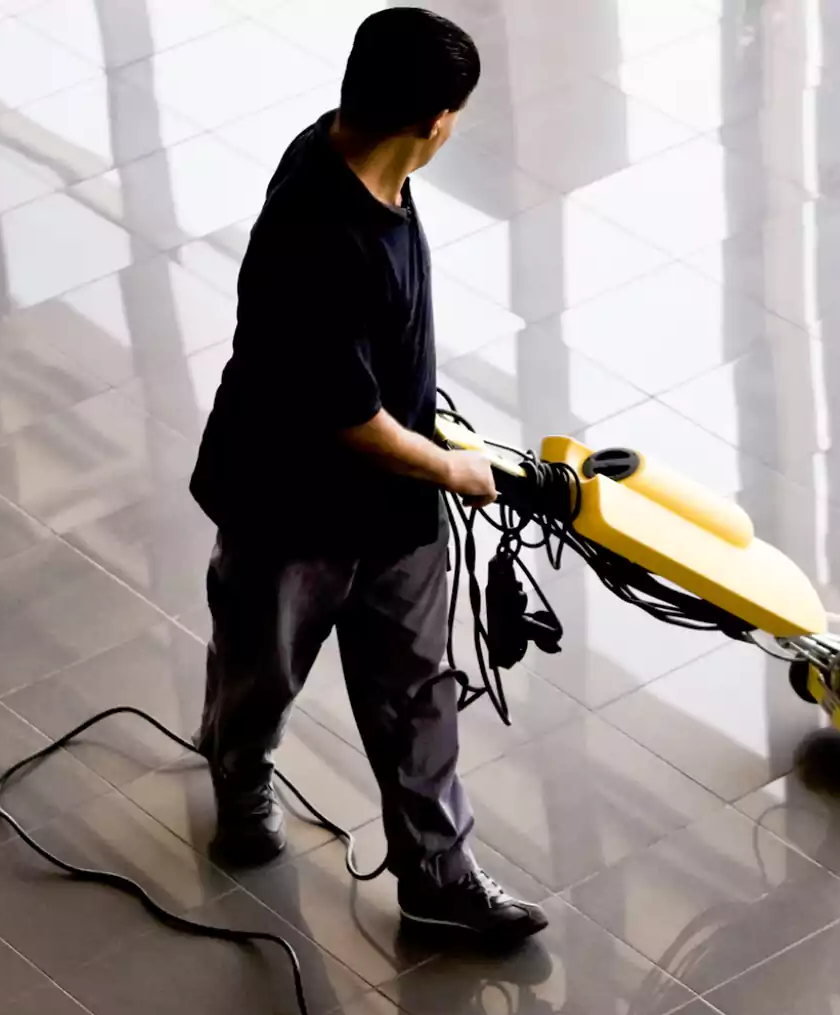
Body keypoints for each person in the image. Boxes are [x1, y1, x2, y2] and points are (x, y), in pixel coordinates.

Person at [188, 7, 545, 944]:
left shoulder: (369, 164)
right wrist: (456, 470)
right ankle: (239, 776)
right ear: (436, 121)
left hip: (392, 511)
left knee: (417, 690)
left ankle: (437, 875)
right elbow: (345, 417)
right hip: (288, 512)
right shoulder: (319, 230)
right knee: (261, 672)